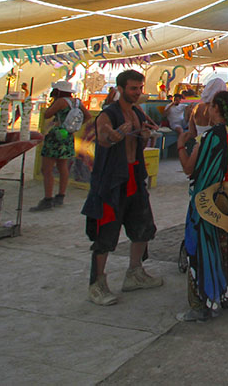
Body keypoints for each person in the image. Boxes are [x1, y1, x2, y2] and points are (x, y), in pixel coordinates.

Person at [82, 69, 163, 306]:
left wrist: (146, 135)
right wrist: (115, 136)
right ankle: (96, 284)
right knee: (105, 234)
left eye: (139, 88)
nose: (137, 93)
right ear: (120, 89)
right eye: (133, 89)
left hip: (134, 177)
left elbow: (141, 137)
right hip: (112, 181)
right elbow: (104, 138)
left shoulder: (138, 112)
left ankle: (134, 273)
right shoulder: (108, 114)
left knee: (144, 227)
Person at [175, 90, 228, 321]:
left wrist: (181, 145)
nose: (207, 110)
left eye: (210, 106)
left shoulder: (210, 137)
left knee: (204, 249)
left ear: (217, 108)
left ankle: (207, 301)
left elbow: (190, 169)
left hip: (210, 203)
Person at [31, 80, 91, 211]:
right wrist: (73, 126)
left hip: (55, 136)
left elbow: (47, 114)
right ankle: (60, 195)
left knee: (47, 168)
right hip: (68, 136)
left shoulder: (60, 102)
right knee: (63, 166)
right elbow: (88, 116)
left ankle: (48, 198)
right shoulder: (77, 102)